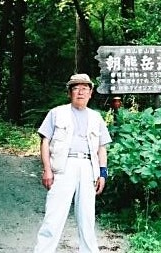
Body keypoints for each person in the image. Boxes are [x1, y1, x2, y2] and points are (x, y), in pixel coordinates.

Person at [33, 73, 111, 253]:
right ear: (70, 93)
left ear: (91, 93)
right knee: (54, 216)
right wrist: (47, 170)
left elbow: (101, 148)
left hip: (88, 168)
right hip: (62, 167)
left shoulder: (96, 118)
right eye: (76, 88)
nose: (80, 92)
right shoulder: (56, 113)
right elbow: (45, 142)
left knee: (87, 218)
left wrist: (102, 174)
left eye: (85, 88)